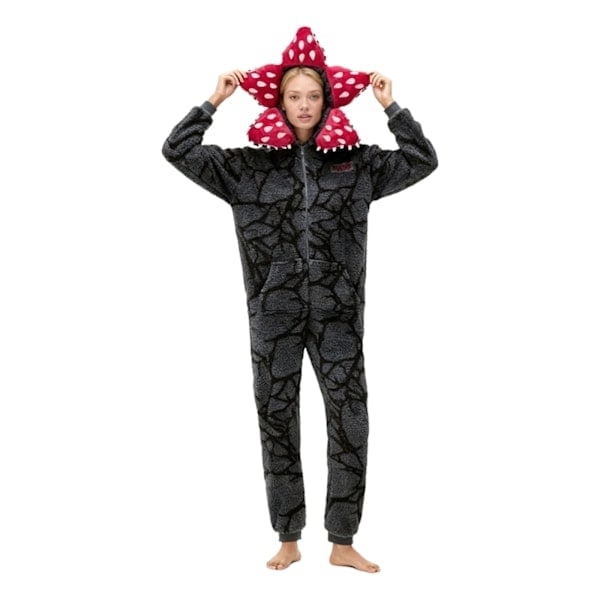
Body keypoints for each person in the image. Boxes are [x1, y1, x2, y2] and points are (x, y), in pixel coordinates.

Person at [162, 62, 437, 572]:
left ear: (327, 100)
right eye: (295, 96)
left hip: (339, 315)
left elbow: (422, 159)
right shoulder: (246, 167)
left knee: (350, 420)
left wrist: (390, 107)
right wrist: (214, 100)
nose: (304, 105)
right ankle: (288, 537)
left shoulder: (356, 163)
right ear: (280, 102)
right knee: (276, 419)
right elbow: (177, 149)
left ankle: (342, 540)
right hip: (274, 314)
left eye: (313, 95)